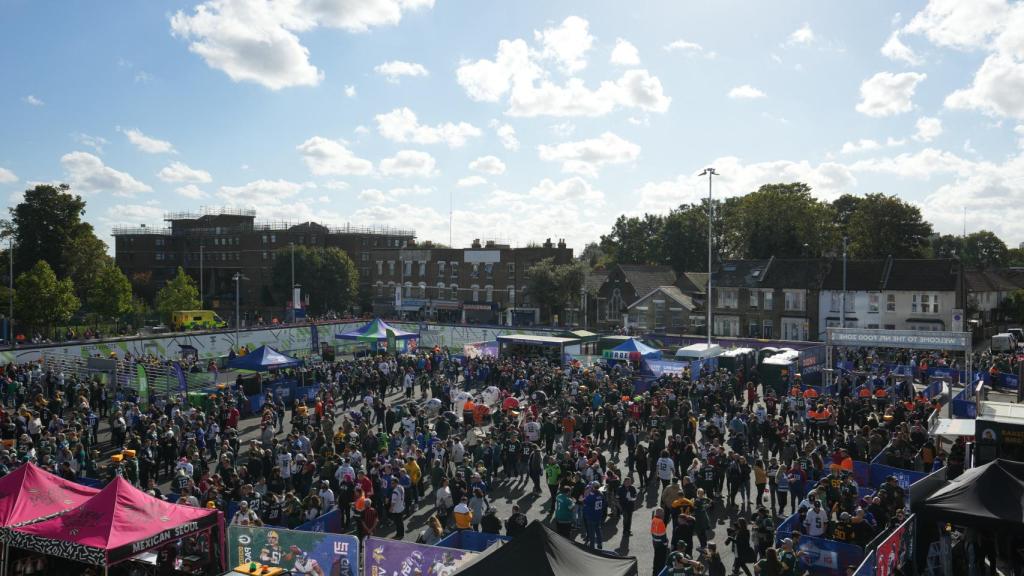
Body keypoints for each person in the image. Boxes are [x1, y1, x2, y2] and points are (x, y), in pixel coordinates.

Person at [582, 482, 606, 549]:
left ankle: (592, 546)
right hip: (598, 516)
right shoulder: (601, 494)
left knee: (591, 532)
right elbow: (604, 504)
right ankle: (599, 544)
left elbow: (585, 501)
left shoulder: (592, 496)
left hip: (591, 516)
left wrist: (584, 498)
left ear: (593, 487)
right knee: (598, 530)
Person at [652, 507, 669, 576]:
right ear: (661, 514)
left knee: (656, 559)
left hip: (655, 542)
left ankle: (655, 572)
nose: (664, 515)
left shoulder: (654, 519)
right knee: (661, 561)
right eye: (663, 513)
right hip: (661, 545)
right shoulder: (661, 522)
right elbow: (663, 536)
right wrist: (666, 543)